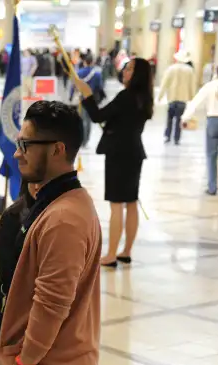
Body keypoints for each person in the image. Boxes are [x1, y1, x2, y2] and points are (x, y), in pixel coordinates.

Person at [0, 100, 102, 365]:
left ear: (58, 149)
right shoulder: (60, 203)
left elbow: (53, 302)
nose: (17, 154)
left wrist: (27, 364)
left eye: (25, 145)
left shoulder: (64, 219)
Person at [73, 57, 154, 267]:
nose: (125, 71)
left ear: (138, 75)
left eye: (129, 69)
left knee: (117, 204)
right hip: (135, 152)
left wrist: (87, 94)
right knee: (131, 202)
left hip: (119, 154)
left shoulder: (126, 96)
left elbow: (98, 116)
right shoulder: (144, 98)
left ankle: (111, 254)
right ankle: (125, 251)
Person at [0, 181, 40, 341]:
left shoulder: (58, 215)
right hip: (15, 309)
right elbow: (7, 271)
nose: (38, 186)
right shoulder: (14, 216)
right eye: (34, 180)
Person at [180, 61, 218, 195]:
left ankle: (212, 187)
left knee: (211, 155)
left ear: (216, 72)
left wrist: (185, 118)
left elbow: (195, 103)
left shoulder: (209, 86)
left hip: (214, 121)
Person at [157, 50, 196, 145]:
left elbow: (164, 83)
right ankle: (177, 138)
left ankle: (167, 136)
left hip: (172, 97)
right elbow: (192, 85)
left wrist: (160, 96)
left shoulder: (171, 69)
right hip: (183, 98)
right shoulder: (189, 70)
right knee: (179, 120)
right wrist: (192, 98)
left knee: (169, 119)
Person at [68, 54, 104, 147]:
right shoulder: (97, 74)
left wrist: (71, 96)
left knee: (82, 119)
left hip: (81, 99)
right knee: (88, 120)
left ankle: (81, 139)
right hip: (92, 99)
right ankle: (86, 140)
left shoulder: (79, 73)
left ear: (84, 62)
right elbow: (100, 87)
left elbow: (74, 85)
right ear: (92, 62)